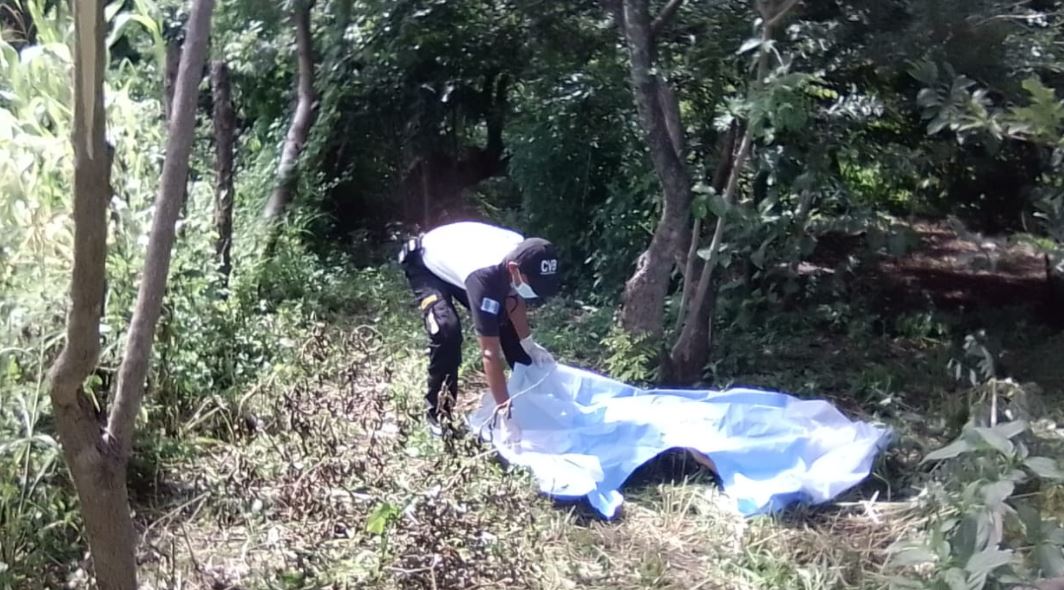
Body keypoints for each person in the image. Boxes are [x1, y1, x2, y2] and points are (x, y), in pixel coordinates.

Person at [397, 221, 562, 438]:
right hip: (427, 264)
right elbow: (489, 354)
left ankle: (529, 395)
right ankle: (439, 413)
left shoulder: (526, 254)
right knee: (446, 330)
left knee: (506, 324)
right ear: (514, 270)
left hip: (460, 260)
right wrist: (504, 412)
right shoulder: (485, 278)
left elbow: (514, 300)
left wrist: (528, 344)